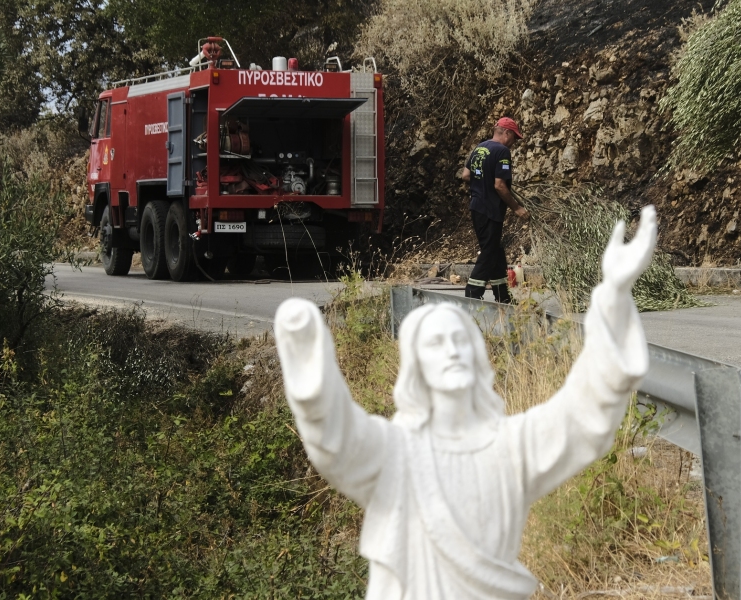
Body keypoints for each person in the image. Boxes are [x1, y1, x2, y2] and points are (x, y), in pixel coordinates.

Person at [273, 207, 658, 600]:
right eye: (436, 344)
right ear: (416, 367)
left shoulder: (511, 447)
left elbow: (583, 415)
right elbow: (336, 439)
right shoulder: (394, 453)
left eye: (461, 341)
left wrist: (614, 294)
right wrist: (310, 364)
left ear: (478, 357)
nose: (453, 352)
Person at [460, 117, 530, 303]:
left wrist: (483, 179)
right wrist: (517, 208)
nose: (514, 142)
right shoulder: (502, 151)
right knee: (489, 252)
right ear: (506, 133)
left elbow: (466, 175)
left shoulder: (480, 148)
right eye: (514, 137)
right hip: (490, 209)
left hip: (477, 206)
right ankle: (472, 294)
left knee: (496, 251)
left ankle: (503, 296)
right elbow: (499, 185)